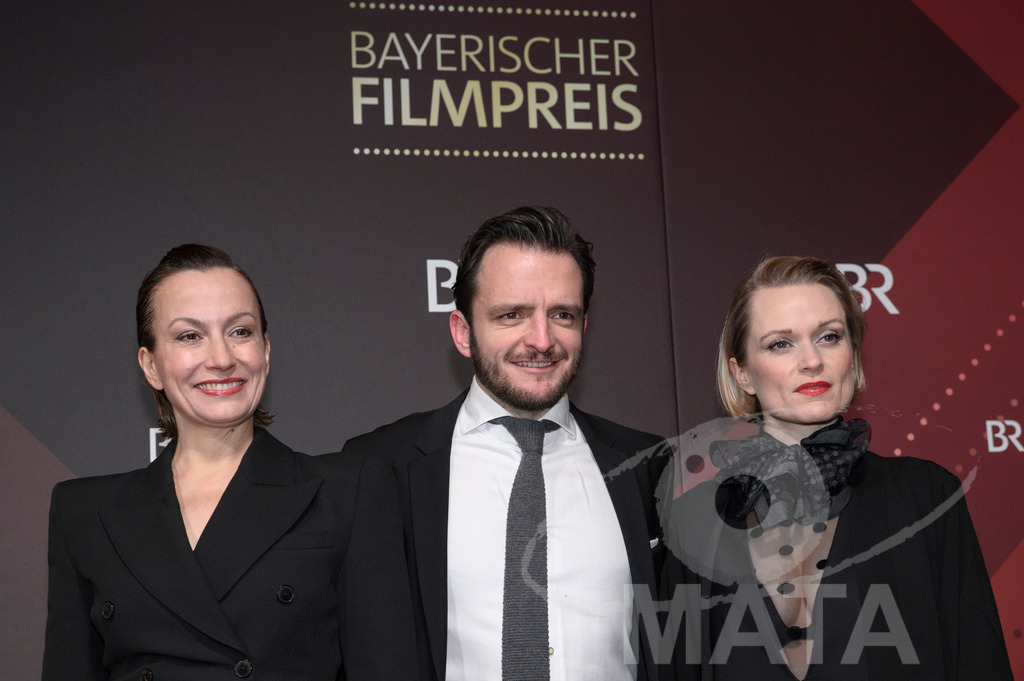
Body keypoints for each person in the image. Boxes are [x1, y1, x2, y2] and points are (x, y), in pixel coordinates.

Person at [42, 244, 417, 681]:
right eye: (189, 336)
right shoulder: (84, 513)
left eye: (240, 332)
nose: (221, 359)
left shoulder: (349, 490)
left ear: (266, 349)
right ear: (151, 366)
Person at [342, 206, 670, 681]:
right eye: (511, 314)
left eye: (562, 314)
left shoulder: (651, 467)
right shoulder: (379, 468)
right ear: (462, 331)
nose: (541, 340)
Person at [659, 256, 1011, 680]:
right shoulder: (696, 525)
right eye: (780, 344)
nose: (811, 360)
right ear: (742, 374)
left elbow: (979, 660)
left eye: (829, 337)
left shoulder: (926, 499)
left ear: (853, 354)